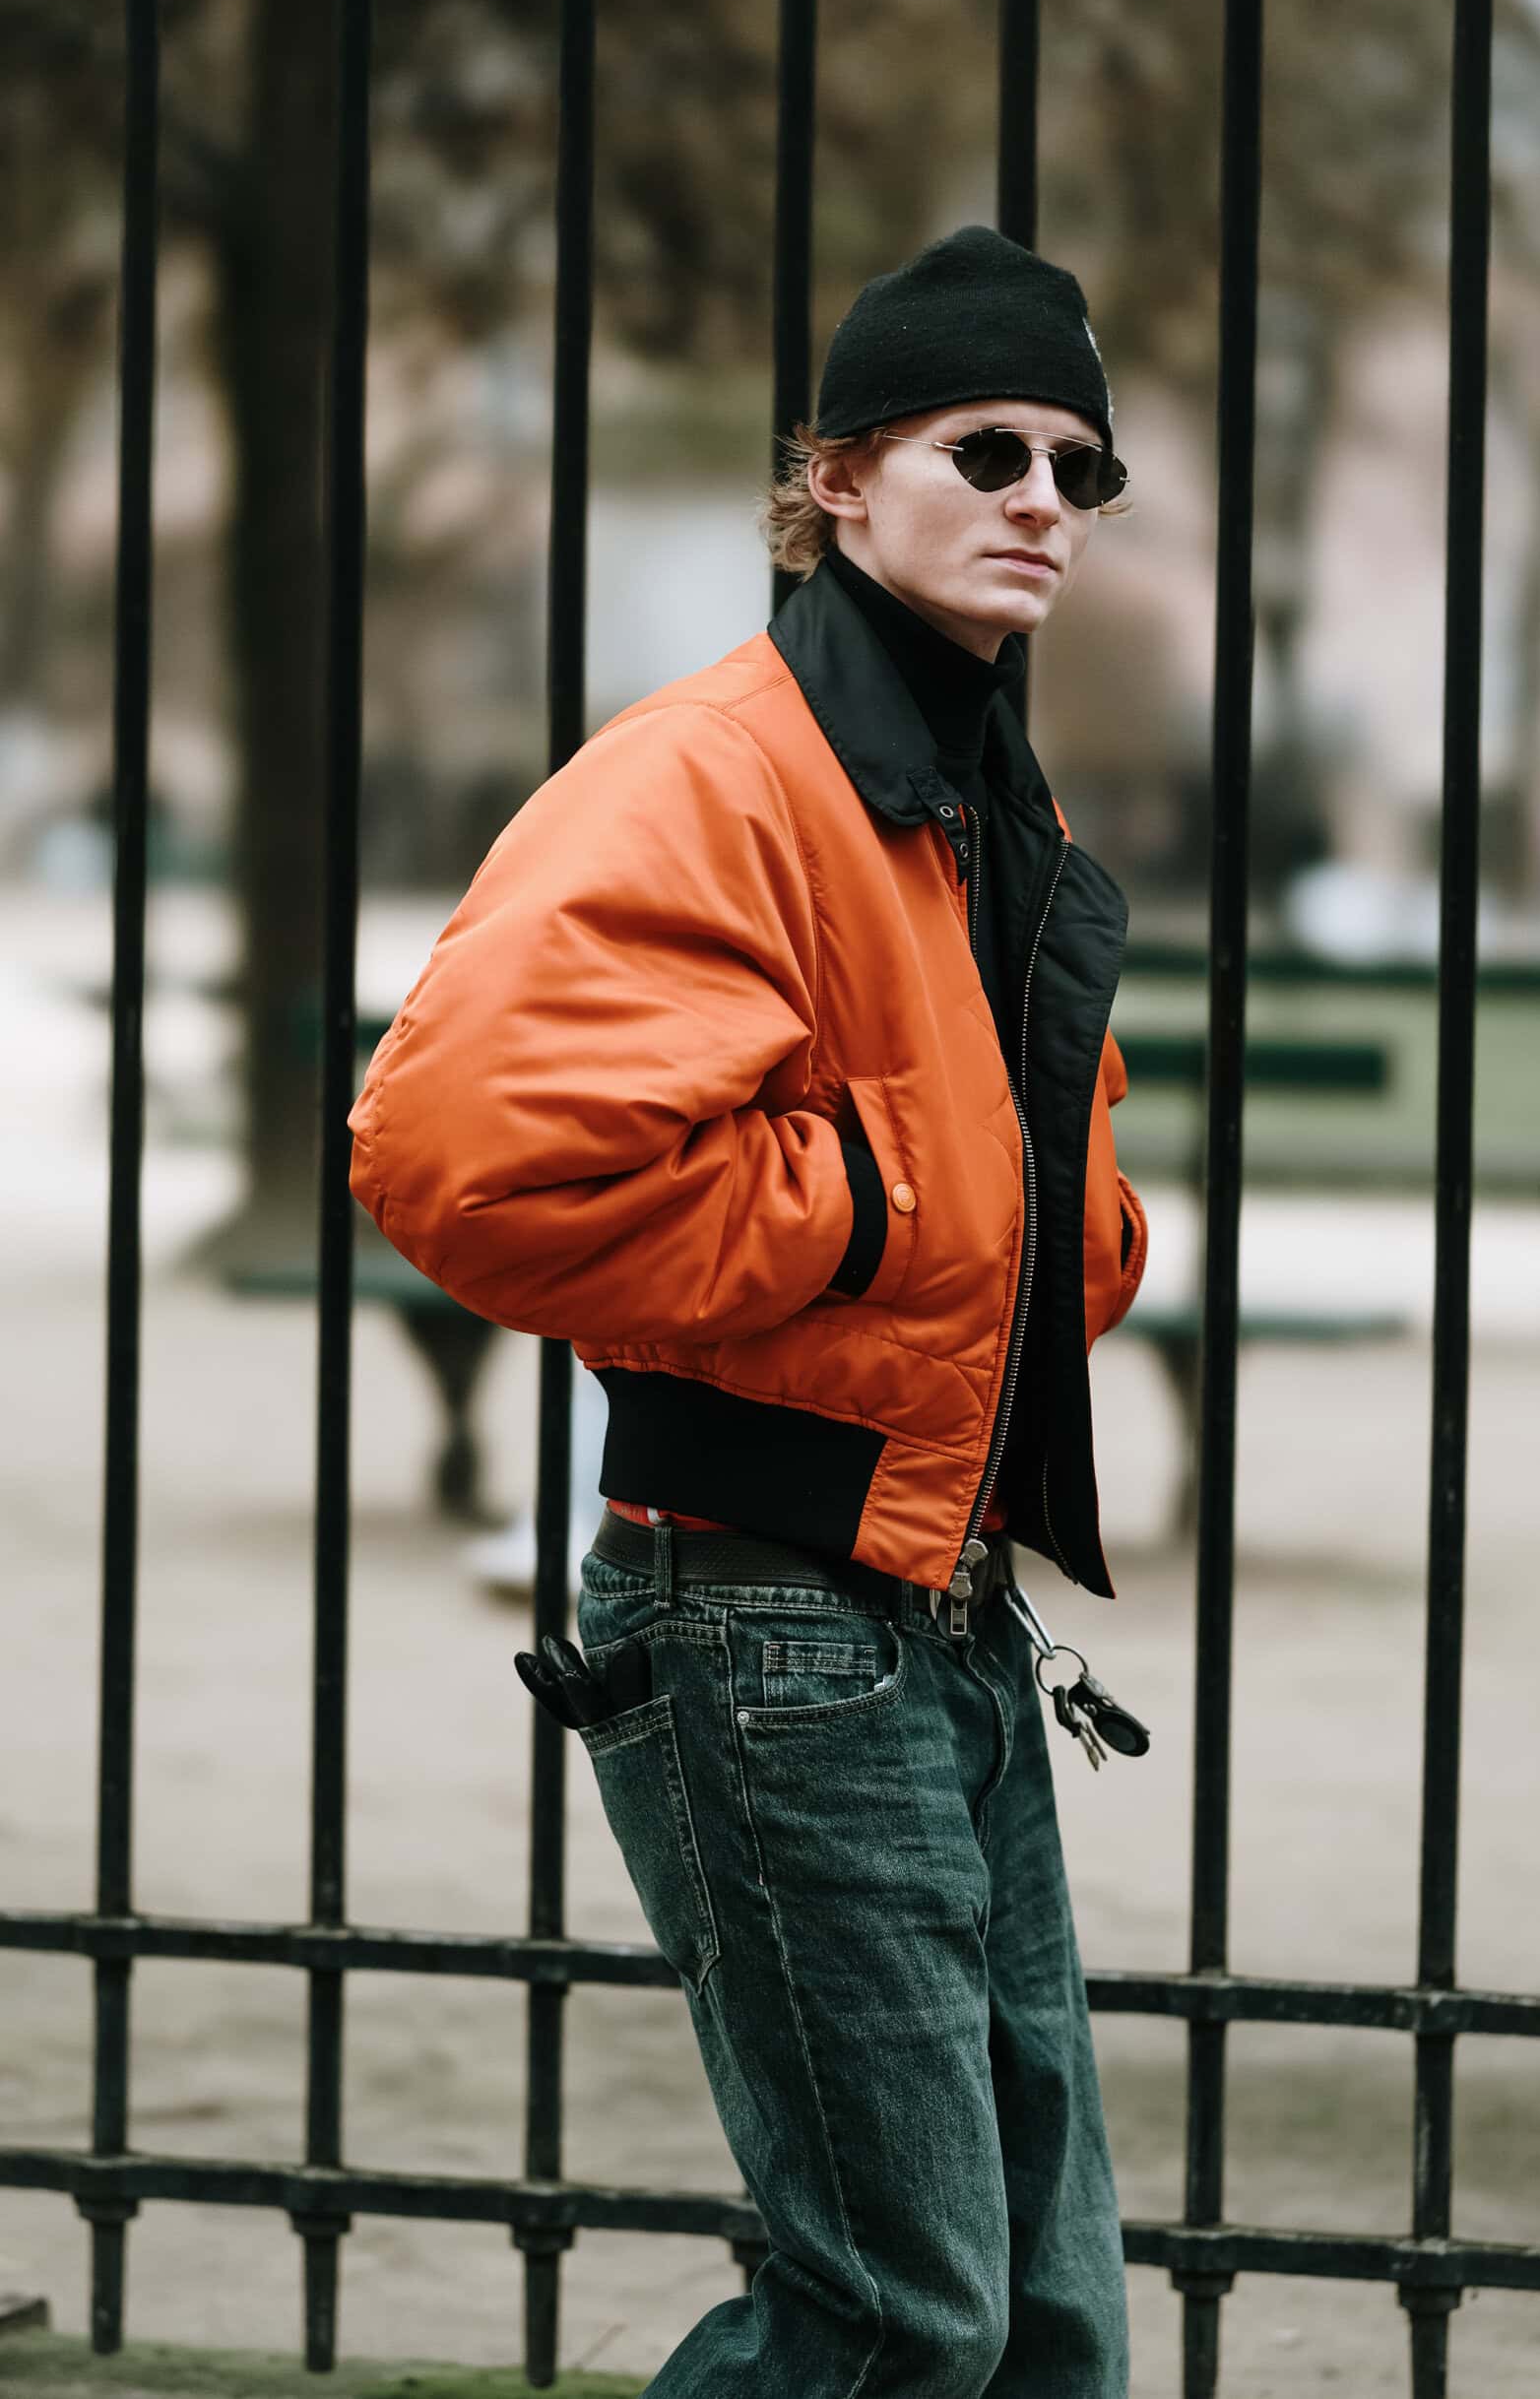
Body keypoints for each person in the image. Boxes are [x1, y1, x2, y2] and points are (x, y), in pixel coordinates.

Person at [349, 224, 1147, 2398]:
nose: (1043, 501)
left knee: (1047, 2323)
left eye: (1081, 468)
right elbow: (457, 1155)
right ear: (839, 476)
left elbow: (1013, 1189)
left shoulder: (970, 786)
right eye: (989, 449)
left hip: (938, 1597)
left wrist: (1061, 1229)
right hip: (764, 1606)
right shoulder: (718, 772)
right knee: (901, 2316)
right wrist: (888, 1199)